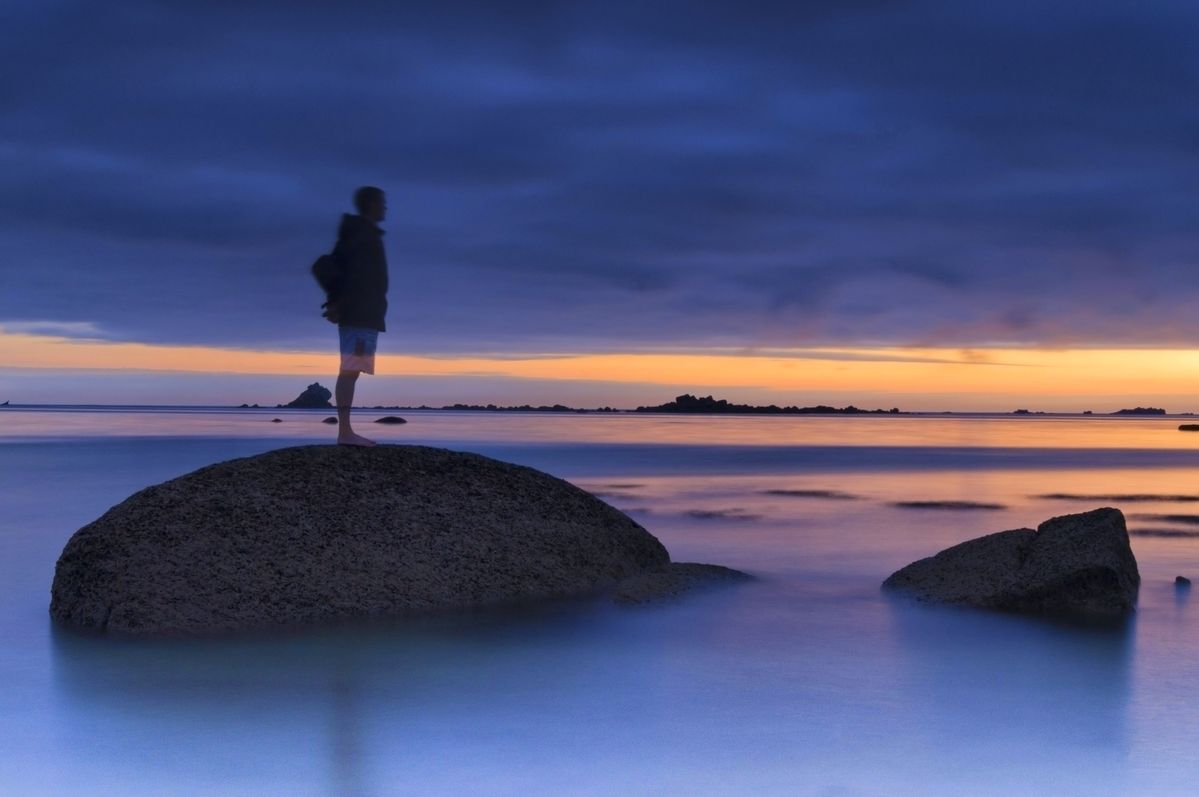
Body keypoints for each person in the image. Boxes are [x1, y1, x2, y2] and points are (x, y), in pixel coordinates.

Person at [325, 186, 389, 446]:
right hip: (360, 314)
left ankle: (346, 431)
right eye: (382, 203)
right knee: (350, 371)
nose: (385, 208)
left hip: (362, 312)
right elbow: (354, 274)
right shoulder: (362, 235)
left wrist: (336, 302)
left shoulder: (360, 233)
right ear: (372, 204)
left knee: (351, 370)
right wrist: (339, 303)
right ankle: (345, 433)